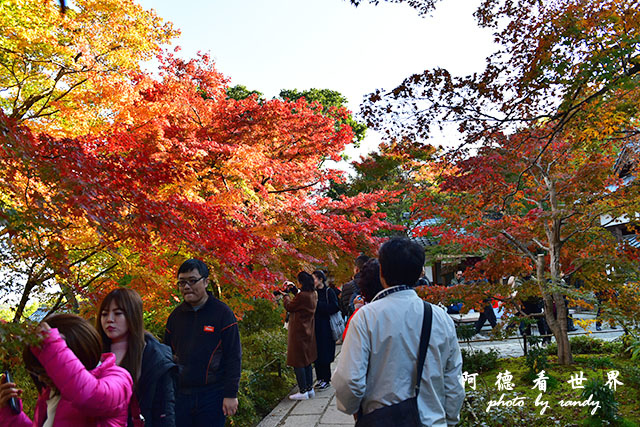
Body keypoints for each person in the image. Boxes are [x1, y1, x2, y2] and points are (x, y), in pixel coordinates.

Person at [333, 237, 464, 426]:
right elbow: (453, 381)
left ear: (382, 272)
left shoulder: (366, 318)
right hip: (432, 421)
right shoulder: (440, 317)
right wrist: (449, 419)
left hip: (380, 420)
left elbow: (349, 380)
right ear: (420, 273)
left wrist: (351, 408)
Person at [0, 313, 133, 426]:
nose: (40, 378)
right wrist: (11, 416)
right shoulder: (51, 393)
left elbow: (90, 396)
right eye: (38, 372)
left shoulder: (119, 379)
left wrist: (51, 347)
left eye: (44, 370)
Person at [164, 259, 241, 427]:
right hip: (181, 395)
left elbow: (233, 356)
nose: (186, 286)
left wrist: (230, 394)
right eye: (182, 282)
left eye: (192, 281)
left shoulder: (222, 314)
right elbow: (166, 356)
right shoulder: (175, 317)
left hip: (213, 394)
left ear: (206, 282)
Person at [97, 288, 177, 426]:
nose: (109, 320)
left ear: (133, 316)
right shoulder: (93, 351)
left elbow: (165, 411)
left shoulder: (154, 358)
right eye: (104, 314)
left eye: (118, 313)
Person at [281, 272, 318, 400]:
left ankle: (302, 391)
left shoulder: (302, 296)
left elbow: (290, 306)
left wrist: (285, 296)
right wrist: (294, 289)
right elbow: (300, 298)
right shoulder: (313, 294)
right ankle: (309, 388)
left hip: (298, 331)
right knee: (306, 360)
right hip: (308, 330)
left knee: (298, 361)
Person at [342, 258, 384, 341]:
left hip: (357, 331)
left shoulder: (348, 287)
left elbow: (344, 308)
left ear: (357, 269)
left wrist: (355, 309)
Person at [311, 270, 340, 391]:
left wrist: (318, 305)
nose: (313, 281)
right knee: (316, 353)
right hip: (315, 326)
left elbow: (335, 307)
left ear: (321, 279)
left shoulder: (329, 292)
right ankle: (319, 378)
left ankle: (326, 379)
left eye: (314, 279)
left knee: (325, 353)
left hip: (326, 326)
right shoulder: (312, 293)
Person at [339, 254, 369, 319]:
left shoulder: (347, 286)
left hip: (354, 322)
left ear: (356, 269)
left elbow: (344, 310)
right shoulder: (376, 284)